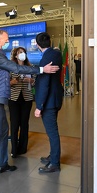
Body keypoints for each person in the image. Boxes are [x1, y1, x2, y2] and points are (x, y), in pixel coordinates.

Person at [0, 29, 59, 174]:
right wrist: (42, 69)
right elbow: (14, 67)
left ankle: (2, 164)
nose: (8, 41)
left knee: (3, 131)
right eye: (6, 39)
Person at [33, 32, 64, 173]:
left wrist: (39, 106)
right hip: (56, 99)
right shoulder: (56, 54)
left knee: (52, 133)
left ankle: (55, 163)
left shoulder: (46, 59)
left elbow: (44, 84)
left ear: (38, 45)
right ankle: (53, 156)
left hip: (49, 102)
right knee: (53, 132)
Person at [8, 47, 37, 158]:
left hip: (27, 98)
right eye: (20, 52)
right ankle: (14, 149)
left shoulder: (30, 67)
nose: (22, 54)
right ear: (15, 55)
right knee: (14, 124)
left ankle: (23, 148)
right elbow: (6, 82)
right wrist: (12, 82)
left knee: (24, 123)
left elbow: (35, 83)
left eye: (23, 52)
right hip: (14, 98)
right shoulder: (10, 68)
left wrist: (31, 81)